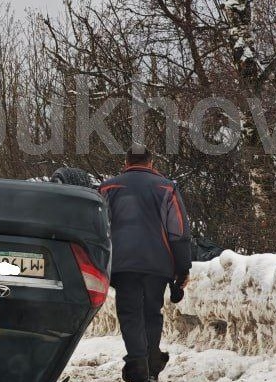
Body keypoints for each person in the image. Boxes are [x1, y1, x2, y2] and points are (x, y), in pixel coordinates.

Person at [99, 144, 191, 382]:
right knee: (152, 312)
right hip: (157, 265)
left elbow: (99, 227)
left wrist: (100, 261)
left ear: (126, 163)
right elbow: (178, 232)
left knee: (130, 314)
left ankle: (137, 365)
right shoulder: (167, 188)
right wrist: (182, 270)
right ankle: (151, 365)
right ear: (151, 163)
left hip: (123, 264)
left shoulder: (108, 188)